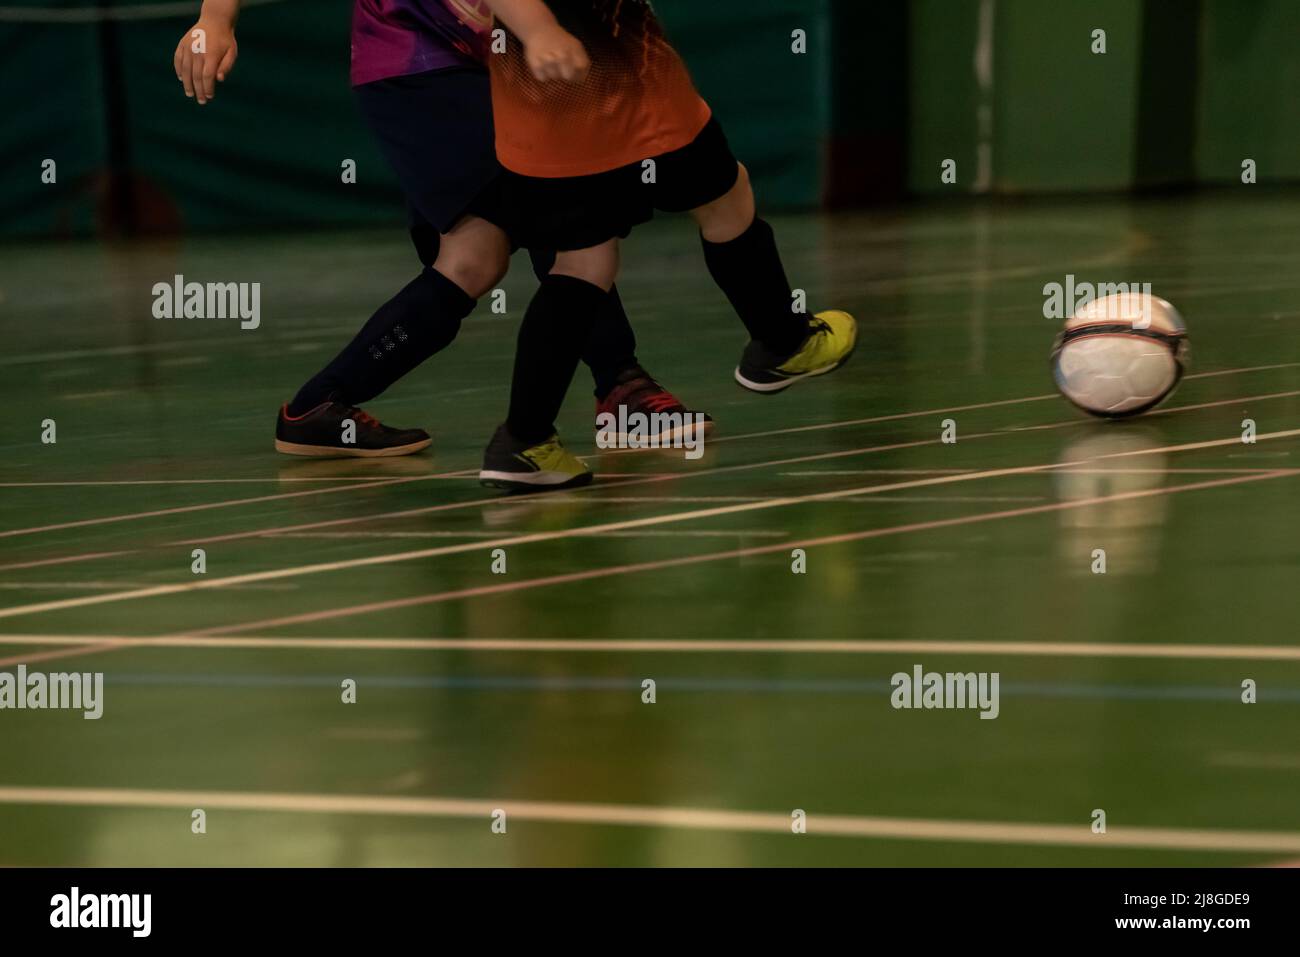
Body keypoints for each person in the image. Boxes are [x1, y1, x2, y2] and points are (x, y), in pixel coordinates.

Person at [173, 0, 708, 476]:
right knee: (554, 204)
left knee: (473, 259)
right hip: (421, 62)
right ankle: (620, 389)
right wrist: (215, 18)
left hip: (491, 60)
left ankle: (317, 407)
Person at [476, 0, 857, 490]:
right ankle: (784, 343)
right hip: (635, 99)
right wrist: (541, 28)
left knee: (583, 261)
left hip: (538, 121)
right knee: (726, 198)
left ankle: (523, 441)